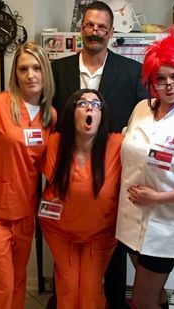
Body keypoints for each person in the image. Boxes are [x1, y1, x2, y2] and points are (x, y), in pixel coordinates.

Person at [51, 2, 148, 307]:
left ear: (111, 32)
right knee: (67, 263)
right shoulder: (58, 69)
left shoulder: (133, 72)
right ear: (81, 29)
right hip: (68, 179)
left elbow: (143, 120)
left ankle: (115, 303)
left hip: (112, 179)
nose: (95, 32)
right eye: (90, 25)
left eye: (102, 27)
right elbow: (47, 119)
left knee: (113, 254)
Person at [116, 29, 174, 309]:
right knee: (152, 296)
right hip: (130, 220)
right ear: (151, 80)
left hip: (164, 226)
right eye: (161, 78)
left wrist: (157, 198)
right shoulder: (141, 108)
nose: (169, 85)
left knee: (141, 302)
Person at [0, 41, 56, 309]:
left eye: (36, 68)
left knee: (17, 285)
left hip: (24, 214)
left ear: (45, 73)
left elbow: (36, 160)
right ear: (15, 75)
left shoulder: (49, 116)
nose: (30, 75)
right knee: (0, 290)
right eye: (23, 69)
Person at [39, 88, 123, 309]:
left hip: (100, 233)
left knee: (89, 291)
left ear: (101, 116)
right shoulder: (54, 143)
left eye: (96, 105)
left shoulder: (117, 144)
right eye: (82, 103)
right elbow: (18, 153)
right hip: (59, 229)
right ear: (71, 112)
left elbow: (149, 152)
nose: (90, 108)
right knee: (68, 288)